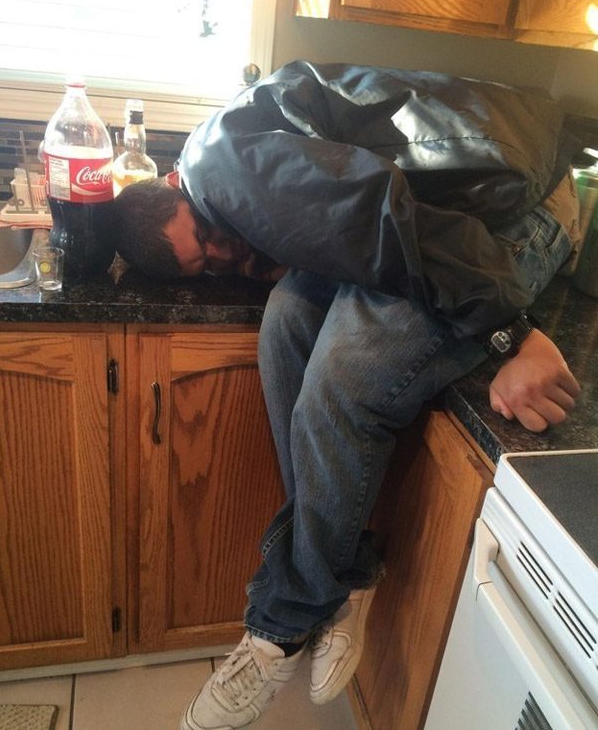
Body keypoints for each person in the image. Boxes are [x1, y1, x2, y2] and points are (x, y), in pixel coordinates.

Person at [112, 62, 581, 730]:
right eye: (206, 263)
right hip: (451, 208)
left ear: (174, 184)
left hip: (517, 209)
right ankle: (342, 576)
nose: (221, 252)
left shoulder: (225, 169)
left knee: (341, 382)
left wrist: (510, 330)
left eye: (206, 240)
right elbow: (348, 220)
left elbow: (378, 215)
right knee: (285, 323)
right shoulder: (219, 155)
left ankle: (280, 626)